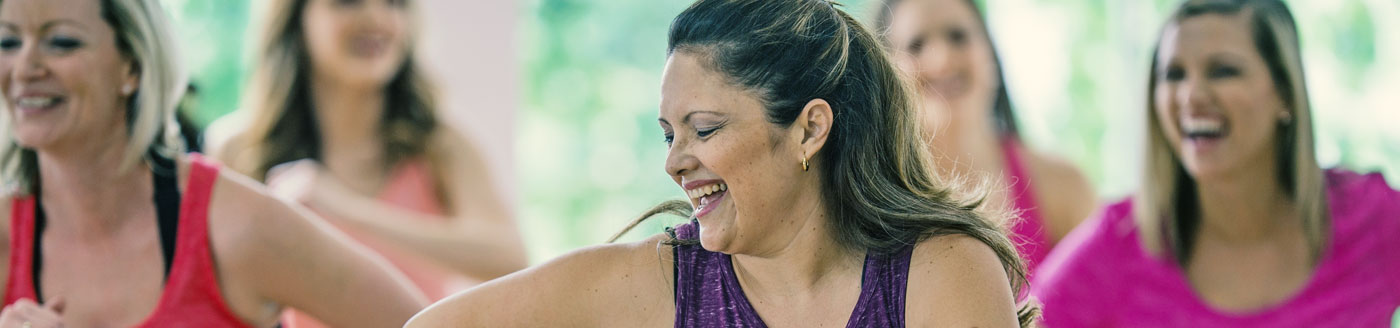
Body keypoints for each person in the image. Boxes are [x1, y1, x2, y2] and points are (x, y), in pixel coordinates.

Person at [407, 0, 1034, 326]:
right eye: (667, 135)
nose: (676, 162)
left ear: (810, 128)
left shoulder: (940, 271)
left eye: (703, 129)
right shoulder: (661, 281)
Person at [0, 0, 428, 326]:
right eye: (7, 42)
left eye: (61, 42)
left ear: (132, 66)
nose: (25, 67)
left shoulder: (233, 226)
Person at [1031, 0, 1400, 326]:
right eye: (1173, 74)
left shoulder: (1372, 219)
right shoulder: (1120, 244)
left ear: (1285, 91)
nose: (1192, 95)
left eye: (1223, 70)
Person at [205, 0, 527, 324]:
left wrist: (347, 209)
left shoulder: (439, 145)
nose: (376, 17)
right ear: (297, 17)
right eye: (348, 2)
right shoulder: (238, 149)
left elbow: (510, 258)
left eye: (394, 3)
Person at [876, 0, 1096, 274]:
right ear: (886, 71)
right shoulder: (871, 196)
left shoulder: (1064, 186)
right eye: (916, 45)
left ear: (989, 51)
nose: (942, 59)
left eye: (958, 36)